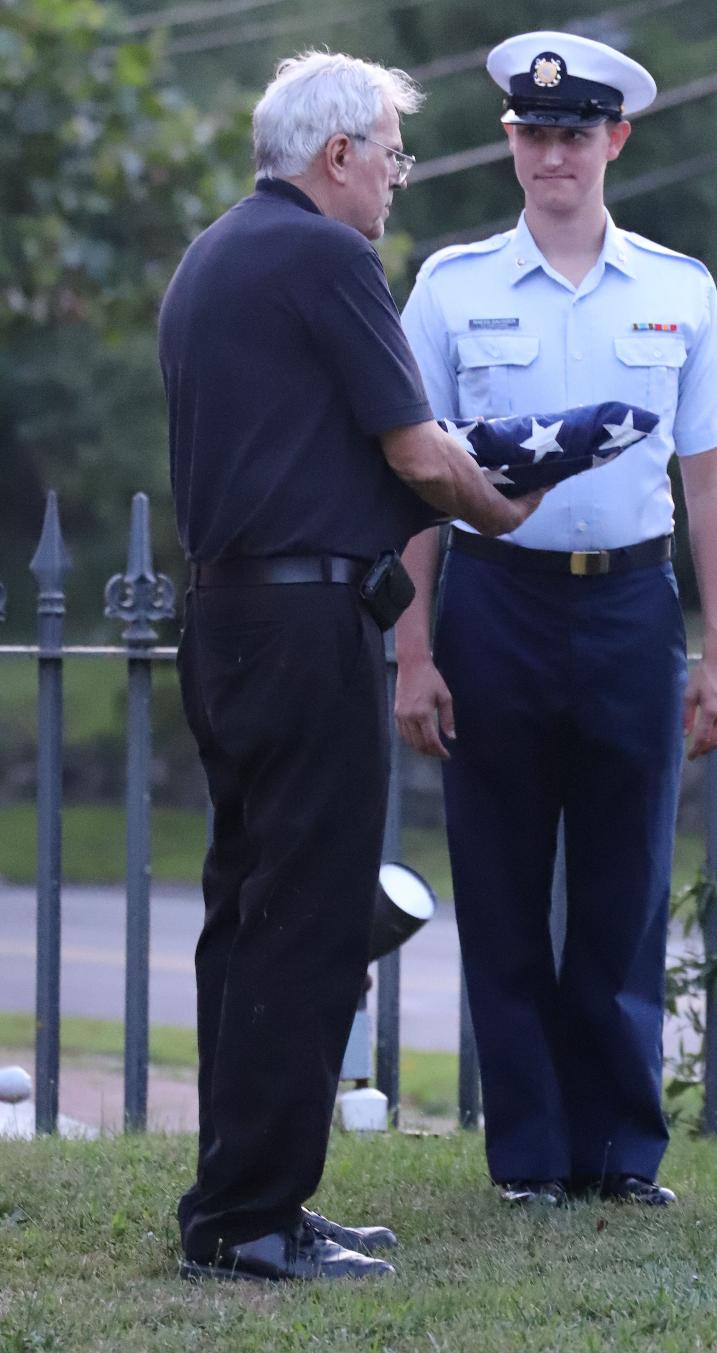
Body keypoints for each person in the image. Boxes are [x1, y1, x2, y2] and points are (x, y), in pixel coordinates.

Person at [159, 51, 543, 1282]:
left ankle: (238, 1197)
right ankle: (254, 1217)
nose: (396, 178)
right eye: (390, 154)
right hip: (304, 628)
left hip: (229, 623)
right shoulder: (326, 256)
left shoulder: (218, 252)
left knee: (250, 910)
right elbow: (420, 456)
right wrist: (503, 502)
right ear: (337, 157)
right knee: (310, 916)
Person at [396, 31, 717, 1208]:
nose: (555, 153)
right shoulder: (450, 289)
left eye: (575, 133)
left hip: (627, 603)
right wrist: (410, 652)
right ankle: (530, 1156)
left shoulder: (679, 291)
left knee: (622, 886)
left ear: (614, 140)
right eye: (534, 134)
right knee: (498, 886)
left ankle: (616, 1152)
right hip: (495, 604)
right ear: (509, 145)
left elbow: (711, 485)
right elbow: (413, 483)